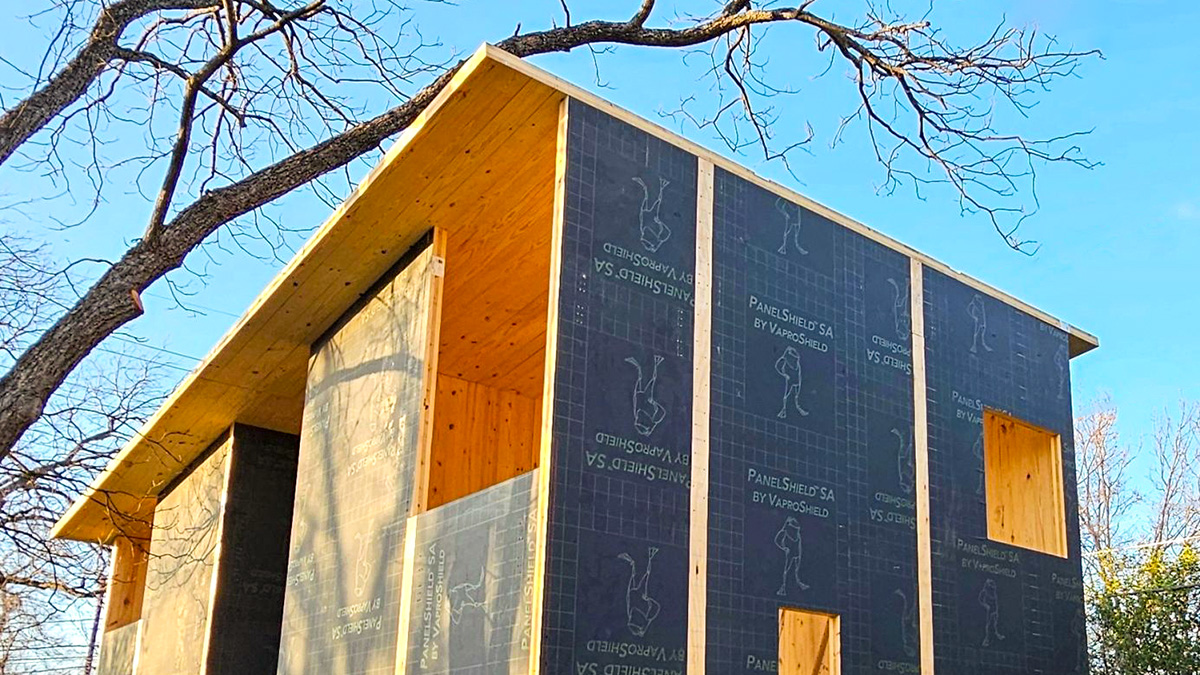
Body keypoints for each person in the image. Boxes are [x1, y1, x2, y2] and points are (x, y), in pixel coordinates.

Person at [618, 547, 661, 637]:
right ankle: (650, 557)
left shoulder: (633, 614)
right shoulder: (647, 617)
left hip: (633, 594)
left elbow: (628, 601)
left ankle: (634, 562)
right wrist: (648, 599)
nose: (632, 618)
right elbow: (656, 607)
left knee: (636, 576)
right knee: (646, 576)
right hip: (639, 595)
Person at [626, 355, 667, 436]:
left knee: (642, 380)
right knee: (652, 381)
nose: (638, 419)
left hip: (640, 396)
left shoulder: (638, 415)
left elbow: (635, 404)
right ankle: (656, 363)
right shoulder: (654, 419)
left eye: (638, 421)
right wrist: (654, 403)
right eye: (640, 422)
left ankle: (639, 366)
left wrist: (636, 393)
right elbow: (662, 412)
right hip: (647, 397)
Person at [632, 176, 672, 253]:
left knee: (648, 199)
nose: (644, 235)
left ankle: (645, 186)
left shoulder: (644, 232)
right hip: (652, 217)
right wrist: (659, 222)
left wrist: (641, 213)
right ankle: (661, 187)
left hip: (646, 216)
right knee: (657, 202)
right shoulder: (659, 238)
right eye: (645, 237)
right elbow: (667, 232)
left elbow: (641, 221)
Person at [775, 517, 810, 595]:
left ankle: (799, 583)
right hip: (790, 553)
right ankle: (783, 587)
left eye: (797, 529)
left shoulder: (798, 534)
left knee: (796, 570)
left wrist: (800, 554)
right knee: (786, 570)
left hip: (796, 554)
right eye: (795, 529)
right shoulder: (785, 531)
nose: (796, 531)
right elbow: (777, 540)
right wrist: (784, 548)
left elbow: (799, 544)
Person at [775, 347, 809, 419]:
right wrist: (784, 375)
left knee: (797, 395)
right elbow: (777, 366)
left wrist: (799, 378)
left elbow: (798, 370)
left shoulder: (796, 360)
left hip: (797, 379)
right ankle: (783, 410)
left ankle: (798, 408)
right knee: (786, 395)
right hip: (790, 379)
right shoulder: (785, 359)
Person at [979, 578, 1005, 647]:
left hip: (994, 610)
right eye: (990, 584)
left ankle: (996, 634)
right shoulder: (984, 592)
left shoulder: (994, 592)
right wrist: (986, 606)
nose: (992, 586)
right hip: (988, 610)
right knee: (988, 625)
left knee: (995, 623)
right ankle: (986, 639)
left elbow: (996, 602)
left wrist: (997, 609)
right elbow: (980, 600)